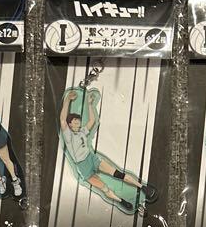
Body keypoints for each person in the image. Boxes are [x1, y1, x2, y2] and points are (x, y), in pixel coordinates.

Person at [59, 87, 156, 215]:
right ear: (70, 124)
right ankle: (121, 201)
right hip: (82, 166)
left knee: (117, 174)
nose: (78, 122)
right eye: (75, 121)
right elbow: (62, 119)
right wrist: (67, 100)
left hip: (91, 158)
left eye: (78, 121)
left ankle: (142, 187)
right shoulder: (68, 135)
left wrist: (89, 104)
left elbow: (92, 121)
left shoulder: (82, 131)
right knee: (104, 188)